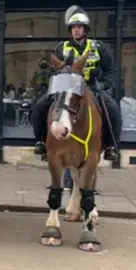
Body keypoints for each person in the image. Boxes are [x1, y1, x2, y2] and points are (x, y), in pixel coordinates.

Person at [32, 5, 120, 161]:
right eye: (73, 27)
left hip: (92, 88)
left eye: (79, 27)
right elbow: (53, 72)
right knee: (40, 106)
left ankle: (111, 146)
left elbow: (111, 71)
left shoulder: (98, 47)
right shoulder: (62, 48)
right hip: (66, 88)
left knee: (113, 109)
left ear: (85, 30)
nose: (76, 30)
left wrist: (104, 84)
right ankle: (41, 142)